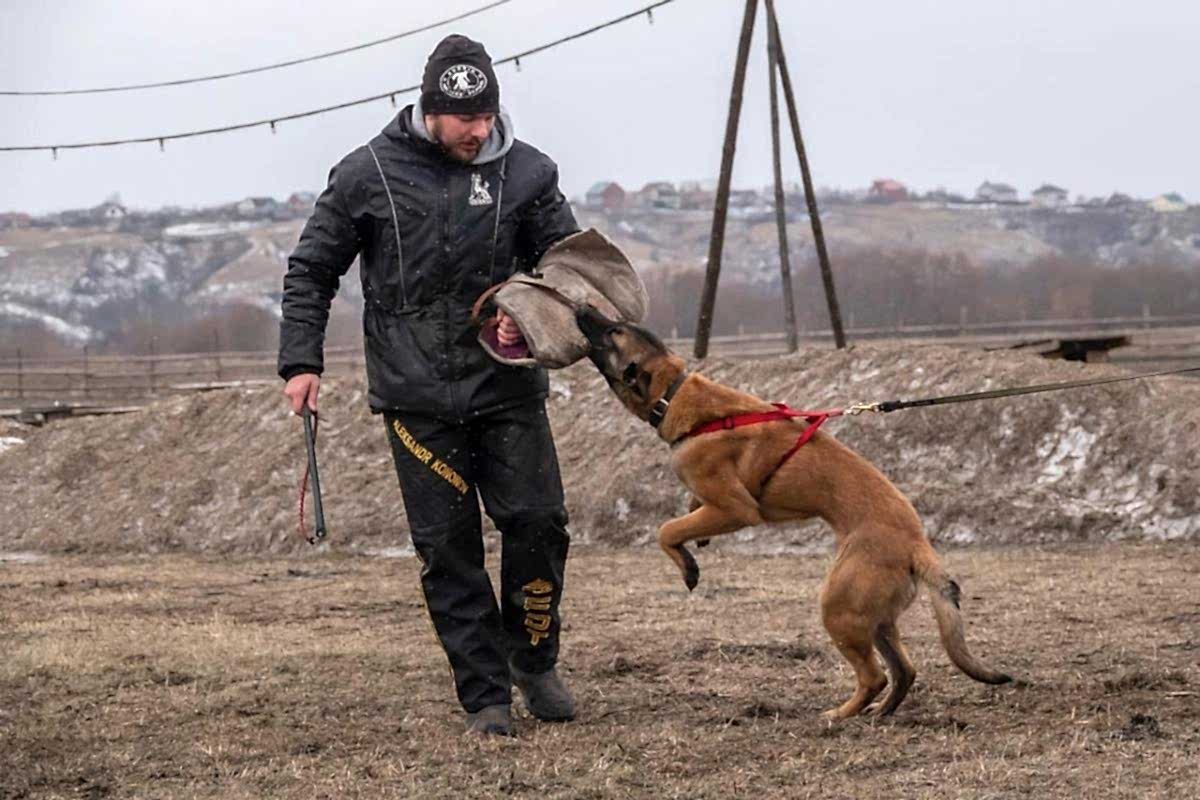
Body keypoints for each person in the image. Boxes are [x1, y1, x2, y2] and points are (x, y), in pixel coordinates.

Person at [278, 34, 579, 737]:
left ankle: (534, 659)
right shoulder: (367, 174)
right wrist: (301, 362)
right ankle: (485, 696)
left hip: (508, 387)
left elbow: (564, 268)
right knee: (447, 548)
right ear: (430, 110)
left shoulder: (527, 173)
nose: (479, 131)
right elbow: (312, 269)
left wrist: (528, 313)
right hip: (416, 398)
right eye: (465, 119)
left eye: (487, 116)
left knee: (538, 524)